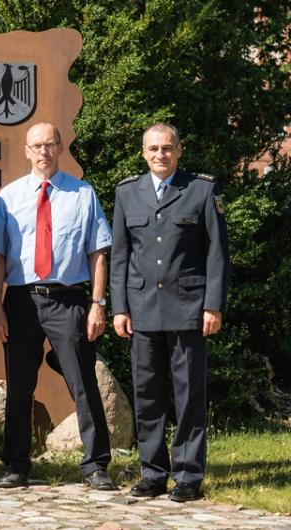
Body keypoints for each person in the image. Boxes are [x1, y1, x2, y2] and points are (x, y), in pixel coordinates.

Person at [0, 122, 116, 491]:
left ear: (60, 148)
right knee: (19, 387)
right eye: (36, 145)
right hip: (21, 301)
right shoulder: (9, 198)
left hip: (69, 300)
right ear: (26, 151)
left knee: (83, 384)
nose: (43, 151)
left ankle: (95, 465)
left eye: (50, 144)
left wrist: (97, 304)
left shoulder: (82, 194)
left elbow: (98, 253)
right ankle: (15, 465)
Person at [110, 123, 228, 502]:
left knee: (189, 394)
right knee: (147, 395)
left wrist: (213, 304)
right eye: (152, 149)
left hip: (189, 309)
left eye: (166, 148)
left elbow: (216, 254)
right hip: (142, 309)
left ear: (179, 150)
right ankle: (153, 472)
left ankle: (189, 476)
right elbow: (120, 256)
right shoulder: (128, 193)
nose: (160, 155)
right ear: (143, 153)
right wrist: (119, 308)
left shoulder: (201, 189)